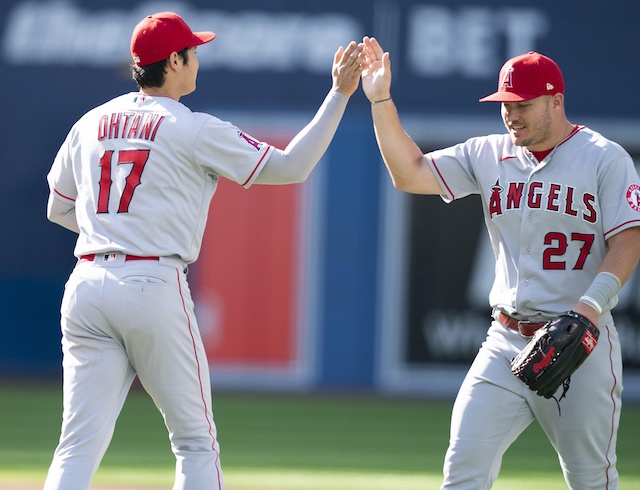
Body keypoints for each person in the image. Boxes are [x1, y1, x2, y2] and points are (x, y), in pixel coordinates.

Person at [44, 11, 364, 490]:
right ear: (173, 60)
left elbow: (58, 208)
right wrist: (339, 93)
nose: (197, 60)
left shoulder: (90, 122)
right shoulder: (191, 127)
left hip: (87, 282)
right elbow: (292, 167)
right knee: (195, 443)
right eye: (192, 52)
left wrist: (112, 235)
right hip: (152, 283)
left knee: (77, 443)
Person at [360, 36, 640, 489]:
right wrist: (380, 99)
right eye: (504, 102)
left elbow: (629, 239)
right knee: (463, 468)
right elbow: (408, 173)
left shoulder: (604, 158)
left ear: (555, 101)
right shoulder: (488, 153)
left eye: (523, 103)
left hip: (580, 343)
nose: (511, 113)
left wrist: (588, 309)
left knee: (591, 481)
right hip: (505, 340)